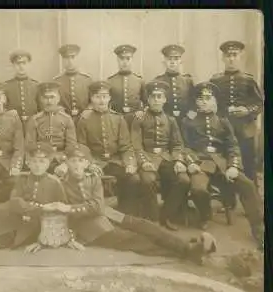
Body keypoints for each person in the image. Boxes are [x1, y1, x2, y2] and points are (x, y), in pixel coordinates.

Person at [0, 143, 216, 269]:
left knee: (143, 230)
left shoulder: (77, 177)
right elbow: (22, 203)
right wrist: (40, 210)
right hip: (14, 218)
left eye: (43, 160)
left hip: (87, 218)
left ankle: (186, 249)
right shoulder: (47, 178)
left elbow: (87, 204)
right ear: (62, 163)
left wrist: (58, 214)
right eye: (35, 160)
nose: (39, 164)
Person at [50, 144, 216, 264]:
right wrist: (70, 231)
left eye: (81, 161)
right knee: (136, 241)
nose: (77, 165)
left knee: (145, 226)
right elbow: (63, 214)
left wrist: (77, 208)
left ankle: (185, 245)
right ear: (66, 164)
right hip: (90, 229)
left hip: (108, 215)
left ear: (87, 163)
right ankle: (187, 252)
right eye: (73, 161)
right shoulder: (60, 184)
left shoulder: (92, 178)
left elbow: (98, 206)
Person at [181, 82, 264, 251]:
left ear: (214, 101)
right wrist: (190, 162)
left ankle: (259, 230)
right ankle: (205, 214)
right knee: (198, 190)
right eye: (200, 99)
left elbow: (233, 146)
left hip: (222, 164)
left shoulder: (223, 122)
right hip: (201, 163)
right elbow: (184, 146)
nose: (204, 102)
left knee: (247, 185)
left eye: (207, 98)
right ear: (196, 102)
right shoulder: (188, 122)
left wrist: (233, 166)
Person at [130, 80, 190, 231]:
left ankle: (167, 214)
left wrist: (177, 160)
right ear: (148, 100)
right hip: (147, 157)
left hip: (166, 158)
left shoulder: (171, 120)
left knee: (183, 180)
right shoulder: (139, 119)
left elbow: (177, 144)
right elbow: (135, 144)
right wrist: (143, 162)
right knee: (148, 180)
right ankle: (154, 218)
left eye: (160, 97)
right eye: (153, 96)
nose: (156, 100)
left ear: (165, 99)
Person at [76, 81, 140, 216]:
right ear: (91, 98)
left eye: (104, 96)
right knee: (86, 180)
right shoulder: (84, 119)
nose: (101, 100)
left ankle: (125, 212)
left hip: (114, 161)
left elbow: (126, 146)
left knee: (133, 179)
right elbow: (81, 145)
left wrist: (129, 163)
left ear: (109, 98)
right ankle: (93, 215)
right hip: (95, 161)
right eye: (97, 97)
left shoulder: (118, 118)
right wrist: (89, 163)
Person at [210, 41, 263, 184]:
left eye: (234, 55)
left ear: (240, 57)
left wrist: (247, 110)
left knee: (248, 163)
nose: (231, 59)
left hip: (245, 129)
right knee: (224, 162)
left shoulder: (248, 79)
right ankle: (228, 199)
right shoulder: (216, 80)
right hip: (224, 129)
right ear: (223, 58)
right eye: (228, 55)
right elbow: (212, 104)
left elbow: (259, 103)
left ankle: (252, 197)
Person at [25, 82, 78, 174]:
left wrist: (65, 162)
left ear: (58, 98)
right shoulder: (35, 120)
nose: (49, 101)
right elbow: (30, 145)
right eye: (45, 98)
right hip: (40, 159)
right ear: (41, 99)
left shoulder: (66, 119)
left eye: (52, 97)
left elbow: (71, 145)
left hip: (62, 159)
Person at [153, 44, 195, 128]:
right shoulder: (158, 81)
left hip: (185, 122)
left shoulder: (187, 80)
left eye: (176, 59)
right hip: (165, 123)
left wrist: (190, 118)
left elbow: (193, 102)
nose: (172, 62)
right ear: (164, 60)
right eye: (169, 59)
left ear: (180, 61)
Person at [107, 44, 146, 128]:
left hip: (135, 120)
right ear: (117, 60)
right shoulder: (110, 81)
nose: (125, 62)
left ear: (132, 60)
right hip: (116, 121)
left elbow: (146, 101)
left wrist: (141, 111)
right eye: (122, 58)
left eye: (128, 58)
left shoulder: (139, 80)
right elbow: (107, 103)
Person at [53, 44, 93, 119]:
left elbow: (92, 100)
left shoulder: (87, 79)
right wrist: (60, 110)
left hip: (84, 119)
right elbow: (54, 102)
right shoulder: (57, 81)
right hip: (64, 119)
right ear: (62, 60)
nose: (70, 61)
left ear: (78, 58)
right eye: (66, 58)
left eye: (73, 57)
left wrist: (88, 110)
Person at [4, 50, 40, 124]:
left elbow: (41, 109)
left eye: (24, 63)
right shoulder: (6, 86)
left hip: (33, 124)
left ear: (29, 65)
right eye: (18, 63)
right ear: (13, 65)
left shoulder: (36, 85)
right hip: (13, 125)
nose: (21, 66)